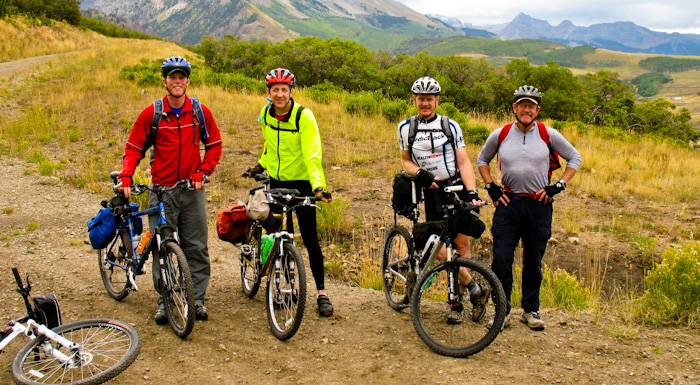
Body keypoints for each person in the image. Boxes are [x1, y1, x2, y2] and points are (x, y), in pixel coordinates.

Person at [118, 56, 222, 323]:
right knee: (162, 248)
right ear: (165, 81)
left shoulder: (199, 111)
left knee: (196, 246)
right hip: (161, 192)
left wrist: (203, 171)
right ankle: (165, 299)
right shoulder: (152, 113)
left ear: (187, 81)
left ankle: (196, 299)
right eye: (172, 77)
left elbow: (215, 145)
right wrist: (127, 175)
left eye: (182, 77)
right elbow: (134, 148)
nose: (177, 82)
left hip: (191, 190)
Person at [477, 85, 582, 331]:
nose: (526, 109)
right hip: (508, 204)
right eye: (522, 105)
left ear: (537, 110)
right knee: (502, 258)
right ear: (514, 108)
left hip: (539, 205)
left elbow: (575, 158)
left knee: (533, 259)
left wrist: (558, 186)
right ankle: (502, 311)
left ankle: (530, 310)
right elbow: (483, 159)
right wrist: (491, 187)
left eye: (531, 106)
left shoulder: (548, 134)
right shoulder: (501, 134)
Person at [243, 68, 335, 317]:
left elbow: (312, 153)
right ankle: (286, 284)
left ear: (292, 91)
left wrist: (318, 187)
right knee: (279, 235)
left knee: (310, 238)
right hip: (277, 183)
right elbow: (269, 145)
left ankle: (321, 293)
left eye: (284, 89)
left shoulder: (303, 117)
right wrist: (261, 165)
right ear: (268, 93)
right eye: (275, 90)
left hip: (303, 184)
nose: (280, 94)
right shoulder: (266, 114)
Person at [398, 76, 488, 324]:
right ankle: (474, 288)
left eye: (429, 99)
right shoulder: (406, 128)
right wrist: (420, 173)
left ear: (437, 100)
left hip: (455, 187)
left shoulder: (450, 126)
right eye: (420, 99)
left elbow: (464, 161)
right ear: (414, 100)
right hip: (430, 189)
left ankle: (456, 303)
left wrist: (472, 193)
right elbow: (405, 160)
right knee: (437, 248)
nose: (424, 103)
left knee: (461, 245)